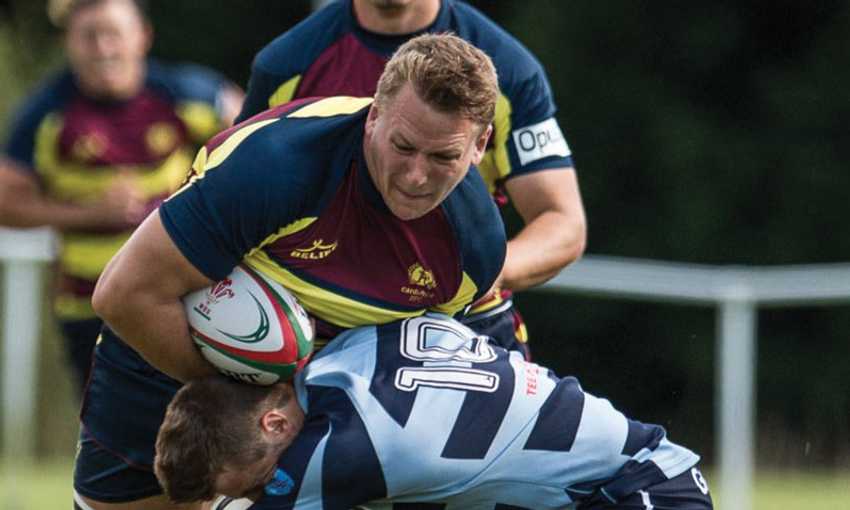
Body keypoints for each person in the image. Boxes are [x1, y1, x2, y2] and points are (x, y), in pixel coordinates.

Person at [74, 34, 507, 510]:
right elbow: (123, 294)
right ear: (374, 116)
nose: (416, 176)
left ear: (479, 145)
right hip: (164, 354)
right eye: (402, 146)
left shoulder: (473, 248)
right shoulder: (278, 167)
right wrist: (241, 392)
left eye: (443, 157)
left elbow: (422, 377)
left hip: (307, 410)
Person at [237, 0, 588, 358]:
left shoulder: (509, 72)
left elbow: (561, 221)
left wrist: (481, 274)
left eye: (442, 154)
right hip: (312, 322)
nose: (416, 175)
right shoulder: (287, 64)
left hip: (452, 322)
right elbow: (235, 203)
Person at [155, 314, 714, 510]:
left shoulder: (341, 454)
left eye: (257, 483)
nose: (265, 490)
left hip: (639, 491)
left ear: (274, 423)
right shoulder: (348, 350)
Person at [0, 0, 243, 395]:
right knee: (114, 429)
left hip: (180, 300)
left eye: (113, 34)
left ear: (142, 36)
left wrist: (193, 204)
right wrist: (90, 213)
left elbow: (256, 144)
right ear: (68, 43)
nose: (103, 48)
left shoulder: (189, 94)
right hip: (91, 309)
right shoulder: (46, 115)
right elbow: (6, 202)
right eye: (88, 36)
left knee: (202, 418)